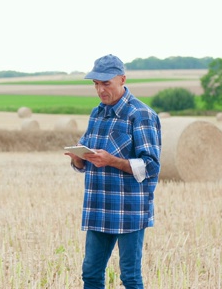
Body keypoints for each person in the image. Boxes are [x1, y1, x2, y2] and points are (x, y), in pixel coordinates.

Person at [65, 54, 162, 289]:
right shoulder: (97, 113)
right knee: (90, 273)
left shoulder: (141, 115)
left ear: (122, 79)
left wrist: (112, 161)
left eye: (105, 83)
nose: (100, 90)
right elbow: (85, 164)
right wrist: (78, 160)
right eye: (96, 84)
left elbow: (151, 165)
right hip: (98, 206)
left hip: (129, 209)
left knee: (129, 276)